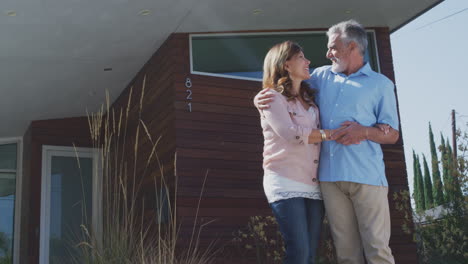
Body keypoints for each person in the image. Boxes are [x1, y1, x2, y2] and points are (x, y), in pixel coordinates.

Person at [255, 20, 399, 264]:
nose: (327, 54)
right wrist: (262, 95)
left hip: (367, 177)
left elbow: (392, 134)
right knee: (345, 254)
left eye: (333, 47)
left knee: (377, 250)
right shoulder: (320, 77)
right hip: (328, 180)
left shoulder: (381, 85)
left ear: (351, 47)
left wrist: (365, 131)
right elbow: (286, 85)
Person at [257, 40, 345, 264]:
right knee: (299, 251)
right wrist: (329, 134)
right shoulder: (271, 98)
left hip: (312, 184)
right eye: (301, 58)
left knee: (310, 254)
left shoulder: (309, 100)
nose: (308, 62)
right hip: (285, 180)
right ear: (286, 65)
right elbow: (291, 134)